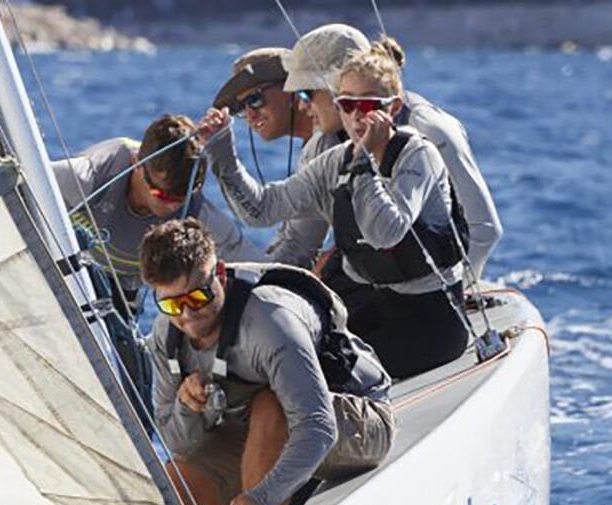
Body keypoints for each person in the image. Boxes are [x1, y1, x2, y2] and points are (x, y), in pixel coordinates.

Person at [197, 47, 472, 380]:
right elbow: (262, 210)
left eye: (368, 106)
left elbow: (385, 232)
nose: (357, 117)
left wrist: (364, 165)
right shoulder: (335, 159)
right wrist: (223, 154)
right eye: (347, 104)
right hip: (377, 305)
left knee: (314, 369)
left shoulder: (418, 155)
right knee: (273, 350)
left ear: (394, 108)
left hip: (433, 322)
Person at [137, 218, 393, 505]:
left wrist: (261, 498)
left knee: (270, 407)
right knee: (170, 494)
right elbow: (183, 446)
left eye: (198, 297)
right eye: (171, 305)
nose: (187, 315)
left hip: (357, 420)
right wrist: (187, 408)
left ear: (221, 275)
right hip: (254, 429)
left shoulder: (270, 321)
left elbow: (318, 427)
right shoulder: (167, 338)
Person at [283, 25, 503, 281]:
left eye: (306, 93)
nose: (301, 105)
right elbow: (300, 242)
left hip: (430, 288)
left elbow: (484, 230)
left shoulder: (431, 131)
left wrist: (455, 290)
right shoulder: (321, 145)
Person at [50, 113, 260, 312]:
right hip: (63, 265)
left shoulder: (197, 213)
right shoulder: (87, 178)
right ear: (136, 163)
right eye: (163, 195)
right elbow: (22, 179)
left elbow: (256, 267)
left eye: (180, 197)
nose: (171, 207)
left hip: (122, 288)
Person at [212, 48, 321, 267]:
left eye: (254, 99)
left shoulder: (325, 144)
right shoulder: (316, 144)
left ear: (291, 86)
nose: (250, 115)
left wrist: (220, 150)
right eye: (242, 108)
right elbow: (298, 244)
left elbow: (260, 212)